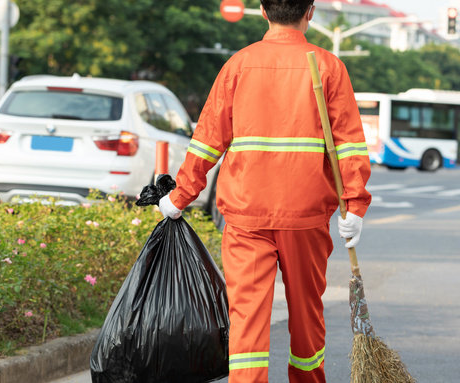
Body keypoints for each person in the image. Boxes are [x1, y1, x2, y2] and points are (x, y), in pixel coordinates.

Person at [157, 1, 371, 381]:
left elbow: (207, 140)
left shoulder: (238, 66)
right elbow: (349, 144)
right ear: (311, 11)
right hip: (305, 216)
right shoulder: (327, 66)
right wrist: (354, 205)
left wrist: (179, 198)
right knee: (306, 316)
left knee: (247, 319)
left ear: (262, 10)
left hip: (245, 214)